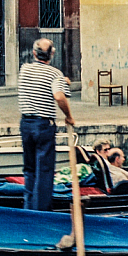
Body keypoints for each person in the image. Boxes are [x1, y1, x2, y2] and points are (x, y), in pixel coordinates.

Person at [18, 37, 74, 212]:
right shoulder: (54, 74)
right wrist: (69, 116)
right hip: (43, 125)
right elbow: (59, 96)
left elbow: (39, 79)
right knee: (45, 170)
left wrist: (62, 81)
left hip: (26, 123)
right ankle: (41, 211)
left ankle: (29, 208)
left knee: (29, 168)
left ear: (34, 53)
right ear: (52, 54)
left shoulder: (24, 69)